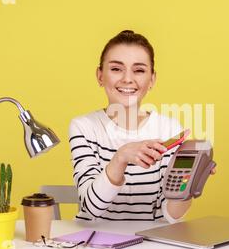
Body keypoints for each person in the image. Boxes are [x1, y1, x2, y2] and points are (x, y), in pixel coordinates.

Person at [69, 30, 215, 223]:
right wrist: (121, 157)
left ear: (152, 79)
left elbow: (170, 216)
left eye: (139, 70)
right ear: (100, 76)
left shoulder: (169, 129)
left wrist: (191, 184)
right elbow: (91, 207)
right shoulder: (84, 127)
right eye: (116, 69)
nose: (127, 79)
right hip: (94, 242)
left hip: (150, 244)